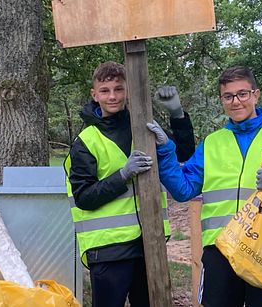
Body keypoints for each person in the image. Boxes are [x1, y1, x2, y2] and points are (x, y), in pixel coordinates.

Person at [147, 66, 262, 307]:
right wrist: (166, 150)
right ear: (221, 100)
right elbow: (183, 189)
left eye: (242, 94)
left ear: (255, 94)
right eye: (228, 96)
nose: (236, 101)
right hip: (220, 251)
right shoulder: (213, 142)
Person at [63, 61, 195, 307]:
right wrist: (122, 175)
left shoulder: (142, 126)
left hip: (148, 242)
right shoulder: (86, 141)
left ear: (128, 91)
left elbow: (184, 153)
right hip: (108, 249)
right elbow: (84, 197)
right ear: (94, 94)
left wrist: (177, 114)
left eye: (118, 89)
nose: (112, 96)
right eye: (105, 90)